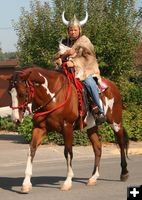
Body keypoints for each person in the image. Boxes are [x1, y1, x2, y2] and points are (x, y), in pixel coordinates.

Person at [54, 11, 106, 125]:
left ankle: (98, 110)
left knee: (89, 83)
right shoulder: (63, 42)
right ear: (68, 31)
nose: (72, 32)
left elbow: (90, 58)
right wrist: (63, 56)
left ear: (79, 30)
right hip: (65, 71)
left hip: (84, 71)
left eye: (75, 30)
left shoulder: (85, 41)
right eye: (70, 30)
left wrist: (74, 62)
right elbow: (57, 57)